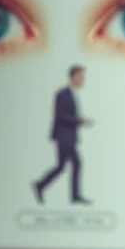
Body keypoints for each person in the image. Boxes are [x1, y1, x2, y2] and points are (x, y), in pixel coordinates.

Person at [33, 64, 92, 205]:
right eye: (80, 76)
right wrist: (79, 120)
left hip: (68, 136)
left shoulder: (72, 94)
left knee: (60, 167)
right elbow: (60, 116)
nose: (82, 79)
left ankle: (40, 185)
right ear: (72, 77)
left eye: (83, 77)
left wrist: (80, 120)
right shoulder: (63, 94)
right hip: (64, 137)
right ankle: (75, 196)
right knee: (77, 163)